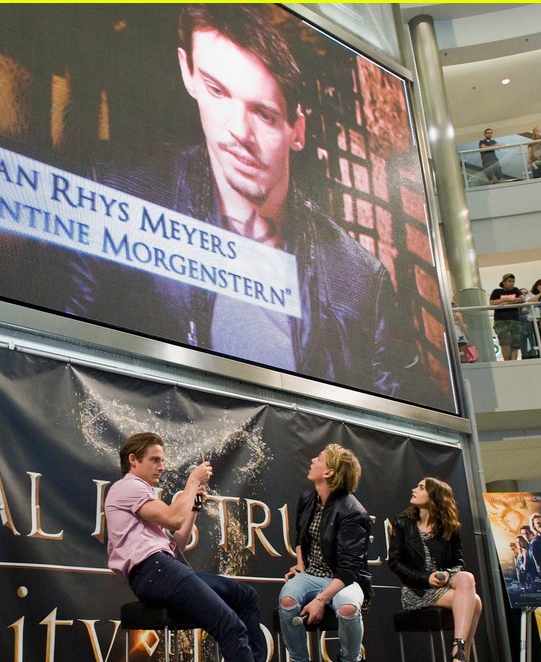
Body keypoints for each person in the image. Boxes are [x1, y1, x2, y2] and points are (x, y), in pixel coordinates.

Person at [65, 5, 417, 402]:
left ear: (296, 130)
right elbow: (67, 368)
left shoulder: (360, 281)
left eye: (264, 114)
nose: (238, 132)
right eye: (217, 91)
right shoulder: (117, 192)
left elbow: (393, 427)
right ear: (189, 73)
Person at [104, 431, 332, 662]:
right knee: (230, 627)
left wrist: (194, 498)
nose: (161, 466)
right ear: (133, 460)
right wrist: (191, 483)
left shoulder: (143, 494)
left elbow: (178, 540)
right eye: (154, 460)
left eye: (162, 460)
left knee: (244, 596)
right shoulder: (127, 486)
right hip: (151, 571)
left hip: (164, 567)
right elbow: (172, 517)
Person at [278, 444, 372, 662]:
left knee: (348, 609)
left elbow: (350, 569)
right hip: (312, 574)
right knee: (287, 602)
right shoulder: (308, 499)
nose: (312, 459)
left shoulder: (354, 512)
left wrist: (321, 600)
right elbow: (301, 539)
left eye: (318, 458)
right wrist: (300, 565)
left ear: (329, 472)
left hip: (344, 579)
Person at [388, 477, 483, 662]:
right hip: (417, 590)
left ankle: (458, 649)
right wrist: (425, 578)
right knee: (475, 602)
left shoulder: (450, 527)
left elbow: (458, 563)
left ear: (434, 497)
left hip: (445, 583)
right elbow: (395, 563)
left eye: (420, 487)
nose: (414, 489)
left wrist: (445, 574)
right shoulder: (403, 522)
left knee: (466, 577)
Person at [489, 273, 526, 361]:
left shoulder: (516, 290)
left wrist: (505, 303)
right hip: (501, 320)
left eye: (513, 281)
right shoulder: (497, 291)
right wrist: (508, 299)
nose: (512, 283)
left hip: (515, 320)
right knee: (505, 342)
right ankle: (507, 362)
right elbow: (492, 302)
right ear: (504, 282)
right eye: (509, 281)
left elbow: (522, 299)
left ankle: (514, 362)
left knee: (515, 343)